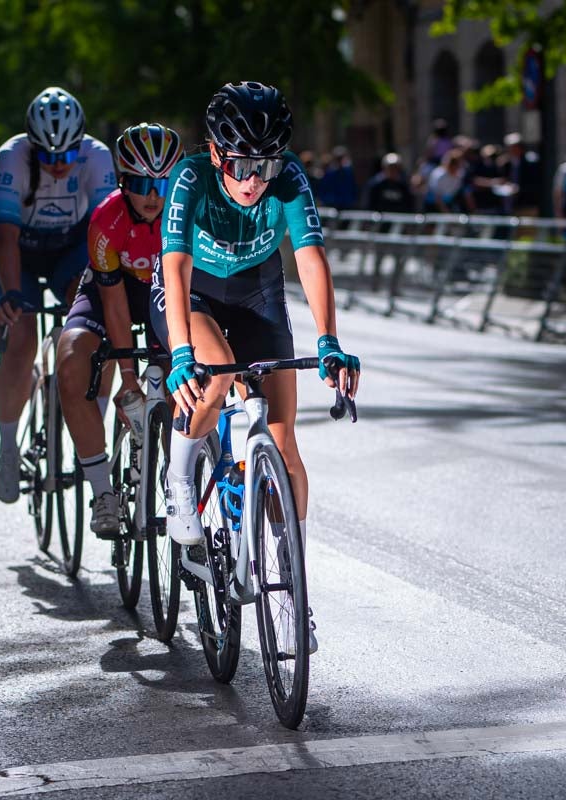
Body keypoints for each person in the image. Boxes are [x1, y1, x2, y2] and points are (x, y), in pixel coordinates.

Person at [155, 82, 361, 652]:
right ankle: (178, 475)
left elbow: (310, 257)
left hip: (256, 291)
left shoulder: (287, 178)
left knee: (283, 438)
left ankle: (290, 587)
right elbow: (173, 269)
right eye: (243, 163)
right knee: (216, 372)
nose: (254, 180)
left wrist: (329, 341)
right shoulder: (191, 178)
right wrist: (178, 353)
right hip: (192, 291)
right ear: (218, 152)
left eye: (265, 163)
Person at [0, 86, 117, 503]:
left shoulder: (96, 156)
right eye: (49, 157)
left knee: (100, 330)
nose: (59, 166)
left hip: (69, 246)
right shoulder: (11, 157)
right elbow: (4, 236)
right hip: (16, 249)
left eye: (67, 156)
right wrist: (11, 296)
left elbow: (105, 231)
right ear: (32, 146)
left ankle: (89, 425)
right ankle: (8, 448)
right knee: (20, 341)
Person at [55, 123, 183, 536]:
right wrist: (128, 378)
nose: (153, 196)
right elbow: (113, 303)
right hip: (113, 290)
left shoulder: (184, 215)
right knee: (72, 360)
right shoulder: (106, 220)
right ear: (124, 182)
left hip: (166, 290)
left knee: (181, 383)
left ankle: (179, 487)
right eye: (144, 184)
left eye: (163, 185)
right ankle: (104, 495)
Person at [499, 132, 542, 216]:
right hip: (510, 205)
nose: (510, 150)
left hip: (527, 205)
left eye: (513, 147)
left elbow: (535, 184)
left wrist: (518, 189)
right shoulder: (506, 164)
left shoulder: (531, 163)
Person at [423, 148, 475, 213]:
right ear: (452, 165)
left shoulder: (460, 173)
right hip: (433, 205)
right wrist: (445, 211)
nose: (460, 167)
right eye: (458, 165)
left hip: (449, 203)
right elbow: (437, 197)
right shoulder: (439, 175)